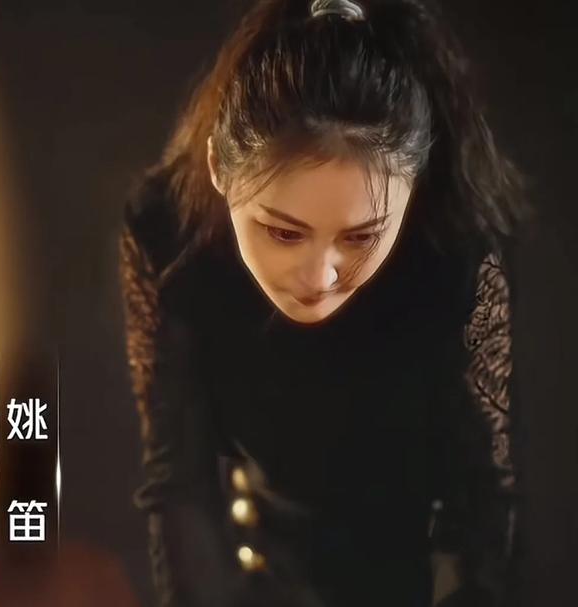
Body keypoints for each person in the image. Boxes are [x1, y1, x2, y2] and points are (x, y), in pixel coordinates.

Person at [119, 0, 530, 605]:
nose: (320, 277)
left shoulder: (460, 248)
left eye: (361, 237)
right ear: (219, 170)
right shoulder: (169, 237)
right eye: (283, 232)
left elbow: (479, 500)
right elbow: (179, 483)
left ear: (413, 188)